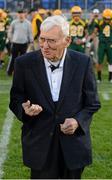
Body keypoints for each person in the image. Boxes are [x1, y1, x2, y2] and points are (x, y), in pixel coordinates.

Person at [9, 15, 101, 179]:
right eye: (42, 39)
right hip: (39, 144)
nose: (44, 46)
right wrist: (25, 110)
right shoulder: (23, 63)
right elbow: (16, 98)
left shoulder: (83, 62)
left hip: (73, 146)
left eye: (51, 41)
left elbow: (92, 103)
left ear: (67, 40)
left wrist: (77, 121)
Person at [7, 9, 33, 75]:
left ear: (24, 14)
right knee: (13, 58)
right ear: (17, 14)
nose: (21, 15)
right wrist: (11, 38)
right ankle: (10, 72)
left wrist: (31, 41)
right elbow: (10, 31)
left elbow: (30, 33)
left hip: (24, 43)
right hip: (15, 43)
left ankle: (21, 72)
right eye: (19, 13)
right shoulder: (14, 22)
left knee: (23, 59)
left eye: (22, 13)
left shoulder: (28, 23)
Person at [95, 8, 112, 83]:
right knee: (99, 61)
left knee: (111, 61)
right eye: (106, 19)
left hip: (110, 43)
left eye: (109, 19)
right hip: (102, 43)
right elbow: (95, 31)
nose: (107, 20)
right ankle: (99, 78)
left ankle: (110, 77)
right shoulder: (99, 23)